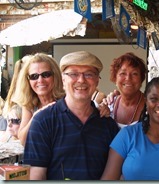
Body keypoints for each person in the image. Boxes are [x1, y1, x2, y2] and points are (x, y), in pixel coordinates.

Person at [23, 51, 120, 180]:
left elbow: (112, 175)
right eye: (73, 74)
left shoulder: (108, 125)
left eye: (89, 74)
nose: (81, 80)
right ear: (63, 80)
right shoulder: (43, 121)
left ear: (97, 81)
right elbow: (36, 175)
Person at [13, 53, 65, 146]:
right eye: (34, 76)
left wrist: (100, 101)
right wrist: (36, 117)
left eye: (46, 74)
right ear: (27, 80)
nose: (40, 80)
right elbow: (23, 141)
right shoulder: (30, 104)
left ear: (55, 76)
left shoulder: (66, 101)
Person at [106, 52, 147, 129]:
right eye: (123, 73)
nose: (128, 78)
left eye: (134, 74)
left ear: (141, 79)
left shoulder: (151, 107)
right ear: (115, 78)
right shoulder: (109, 106)